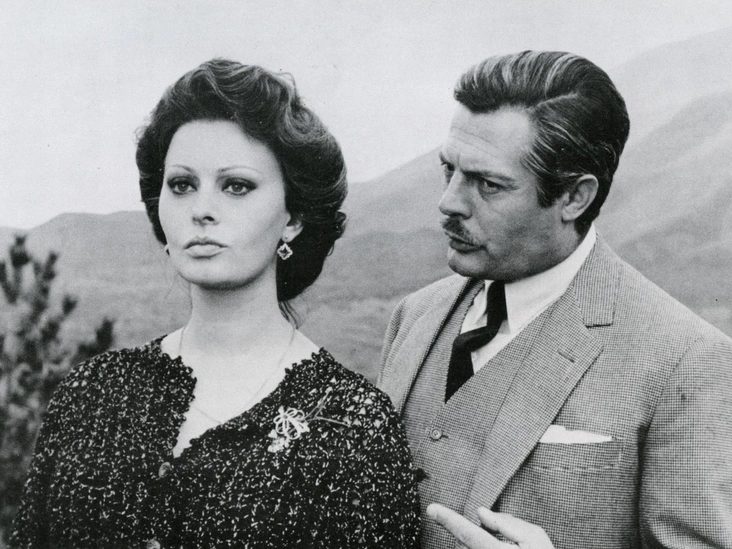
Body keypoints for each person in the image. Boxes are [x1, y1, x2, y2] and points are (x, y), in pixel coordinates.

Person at [12, 59, 419, 549]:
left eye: (236, 186)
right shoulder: (91, 393)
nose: (201, 210)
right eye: (182, 185)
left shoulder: (353, 425)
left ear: (293, 218)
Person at [378, 51, 732, 548]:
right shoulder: (414, 315)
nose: (449, 202)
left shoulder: (688, 360)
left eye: (488, 184)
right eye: (449, 170)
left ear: (574, 198)